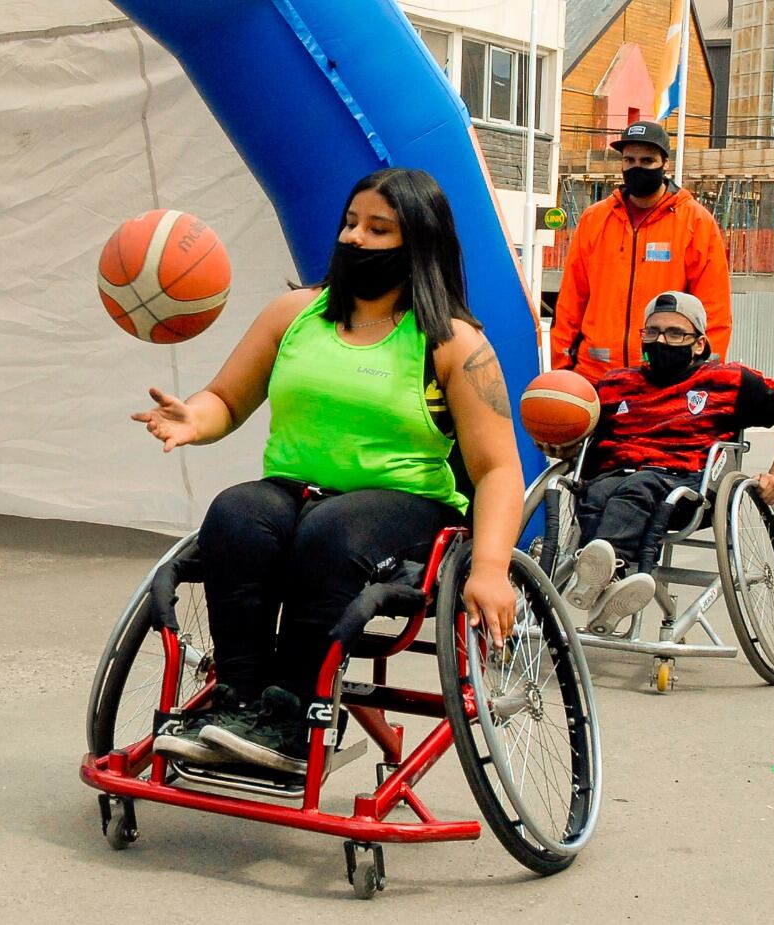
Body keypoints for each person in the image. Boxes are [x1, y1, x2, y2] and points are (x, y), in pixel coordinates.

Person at [133, 168, 524, 775]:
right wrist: (193, 419)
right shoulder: (295, 314)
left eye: (377, 228)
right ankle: (238, 703)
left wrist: (493, 569)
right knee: (235, 513)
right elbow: (228, 400)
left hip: (404, 505)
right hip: (296, 491)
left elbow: (498, 468)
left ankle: (291, 715)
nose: (355, 239)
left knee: (332, 531)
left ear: (418, 242)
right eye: (350, 223)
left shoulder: (454, 344)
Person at [561, 291, 774, 635]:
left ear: (698, 343)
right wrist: (560, 441)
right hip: (615, 477)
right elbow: (579, 433)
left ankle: (609, 572)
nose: (661, 340)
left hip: (682, 486)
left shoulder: (726, 382)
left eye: (675, 333)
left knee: (638, 486)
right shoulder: (616, 383)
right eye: (653, 332)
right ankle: (607, 588)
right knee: (594, 491)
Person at [550, 121, 731, 384]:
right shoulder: (595, 220)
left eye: (647, 161)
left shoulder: (695, 223)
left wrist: (707, 379)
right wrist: (562, 369)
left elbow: (714, 309)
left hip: (663, 381)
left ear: (664, 163)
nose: (637, 168)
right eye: (629, 160)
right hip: (595, 377)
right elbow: (571, 301)